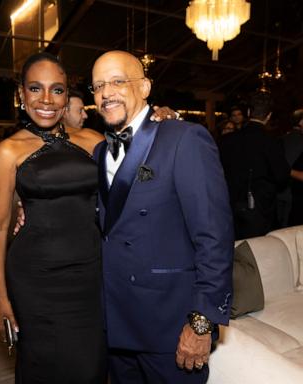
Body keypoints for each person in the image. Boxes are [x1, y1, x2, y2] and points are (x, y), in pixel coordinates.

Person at [89, 50, 233, 384]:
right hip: (116, 320)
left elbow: (214, 237)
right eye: (97, 86)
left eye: (117, 81)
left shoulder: (184, 138)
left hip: (169, 325)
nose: (106, 92)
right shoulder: (98, 152)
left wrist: (201, 324)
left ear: (145, 86)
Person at [0, 52, 107, 383]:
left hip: (90, 275)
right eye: (35, 88)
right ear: (21, 94)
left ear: (67, 96)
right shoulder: (8, 151)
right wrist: (0, 297)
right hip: (35, 278)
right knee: (42, 366)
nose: (46, 100)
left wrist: (162, 121)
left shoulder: (94, 141)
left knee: (91, 366)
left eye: (56, 90)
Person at [220, 92, 290, 239]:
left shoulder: (227, 140)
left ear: (249, 112)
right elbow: (282, 177)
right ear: (269, 116)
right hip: (260, 210)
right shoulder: (272, 142)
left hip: (229, 206)